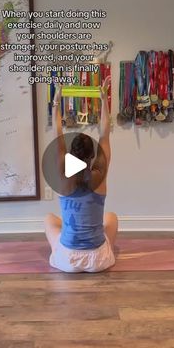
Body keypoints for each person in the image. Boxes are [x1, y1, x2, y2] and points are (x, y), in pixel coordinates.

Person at [44, 76, 118, 272]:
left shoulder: (62, 175)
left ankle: (67, 240)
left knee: (49, 220)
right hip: (98, 261)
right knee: (111, 218)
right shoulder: (100, 173)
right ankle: (97, 246)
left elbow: (57, 135)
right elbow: (104, 134)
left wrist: (57, 99)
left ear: (71, 152)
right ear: (93, 154)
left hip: (68, 261)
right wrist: (103, 99)